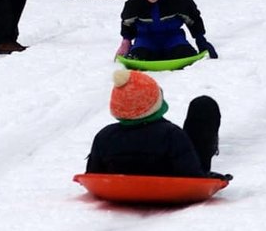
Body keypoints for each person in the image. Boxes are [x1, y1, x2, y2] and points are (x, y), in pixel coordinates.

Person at [87, 67, 227, 179]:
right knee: (203, 106)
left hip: (121, 184)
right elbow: (192, 175)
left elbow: (93, 175)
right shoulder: (171, 135)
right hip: (173, 184)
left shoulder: (104, 136)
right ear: (156, 103)